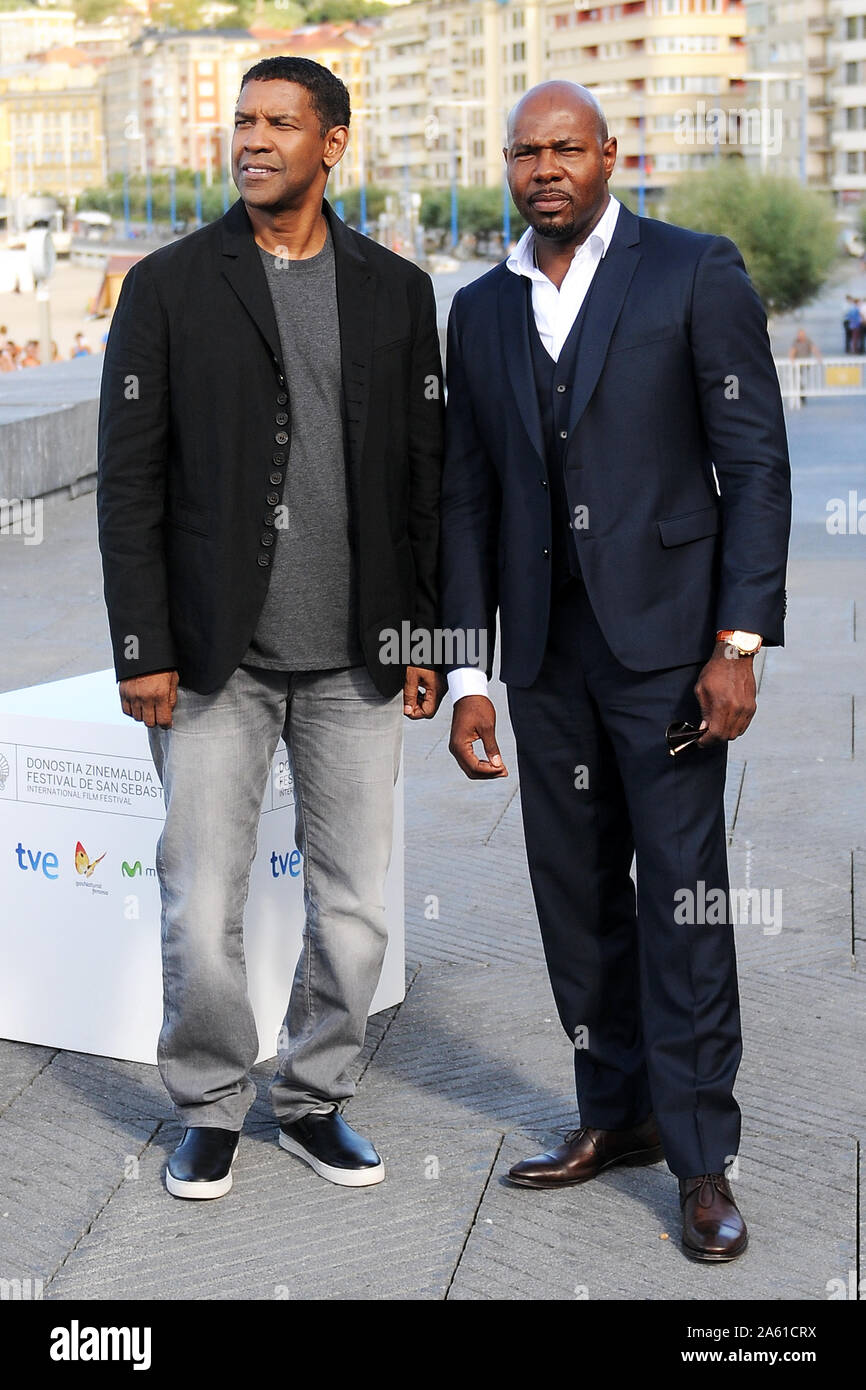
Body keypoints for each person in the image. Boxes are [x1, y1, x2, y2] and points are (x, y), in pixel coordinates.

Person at [440, 81, 791, 1263]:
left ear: (607, 156)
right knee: (573, 898)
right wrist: (469, 671)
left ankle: (700, 1160)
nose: (543, 168)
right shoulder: (480, 310)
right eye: (524, 151)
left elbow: (753, 465)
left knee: (680, 902)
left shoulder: (691, 270)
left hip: (669, 651)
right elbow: (466, 499)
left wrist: (735, 644)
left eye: (565, 149)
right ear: (507, 165)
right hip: (542, 656)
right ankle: (614, 1113)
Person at [97, 56, 444, 1200]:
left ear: (331, 142)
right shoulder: (166, 285)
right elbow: (130, 481)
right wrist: (143, 646)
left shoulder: (395, 291)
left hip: (356, 657)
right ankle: (207, 1102)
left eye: (278, 123)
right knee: (200, 900)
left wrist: (425, 640)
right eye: (241, 122)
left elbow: (422, 476)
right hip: (210, 656)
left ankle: (311, 1097)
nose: (252, 140)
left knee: (354, 907)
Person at [788, 327, 821, 406]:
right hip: (797, 365)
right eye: (800, 335)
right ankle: (801, 395)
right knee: (798, 380)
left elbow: (814, 349)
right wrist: (791, 361)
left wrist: (819, 358)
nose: (801, 336)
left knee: (803, 380)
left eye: (802, 334)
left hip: (806, 365)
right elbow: (792, 351)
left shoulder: (808, 341)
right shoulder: (795, 342)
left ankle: (802, 395)